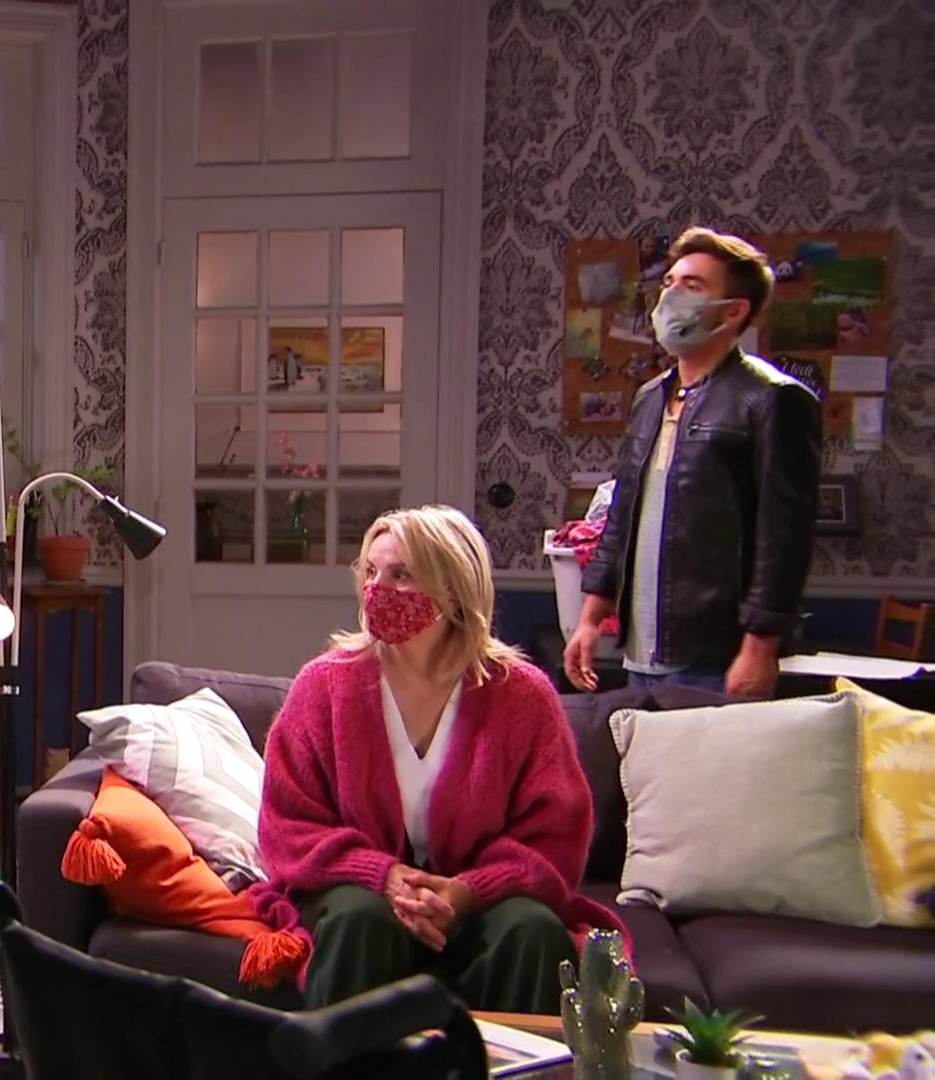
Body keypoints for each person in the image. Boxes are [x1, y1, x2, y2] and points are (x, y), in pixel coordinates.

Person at [249, 506, 623, 1013]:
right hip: (359, 891)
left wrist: (465, 891)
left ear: (453, 589)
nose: (377, 589)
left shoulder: (522, 696)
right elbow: (287, 823)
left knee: (533, 931)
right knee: (358, 920)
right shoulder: (324, 686)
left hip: (479, 901)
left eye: (401, 575)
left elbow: (555, 833)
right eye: (371, 572)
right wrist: (384, 876)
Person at [565, 227, 822, 698]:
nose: (670, 296)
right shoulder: (649, 398)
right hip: (639, 655)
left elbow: (784, 541)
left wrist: (758, 650)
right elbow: (621, 517)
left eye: (692, 285)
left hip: (715, 658)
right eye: (669, 282)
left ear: (734, 311)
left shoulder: (772, 400)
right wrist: (588, 620)